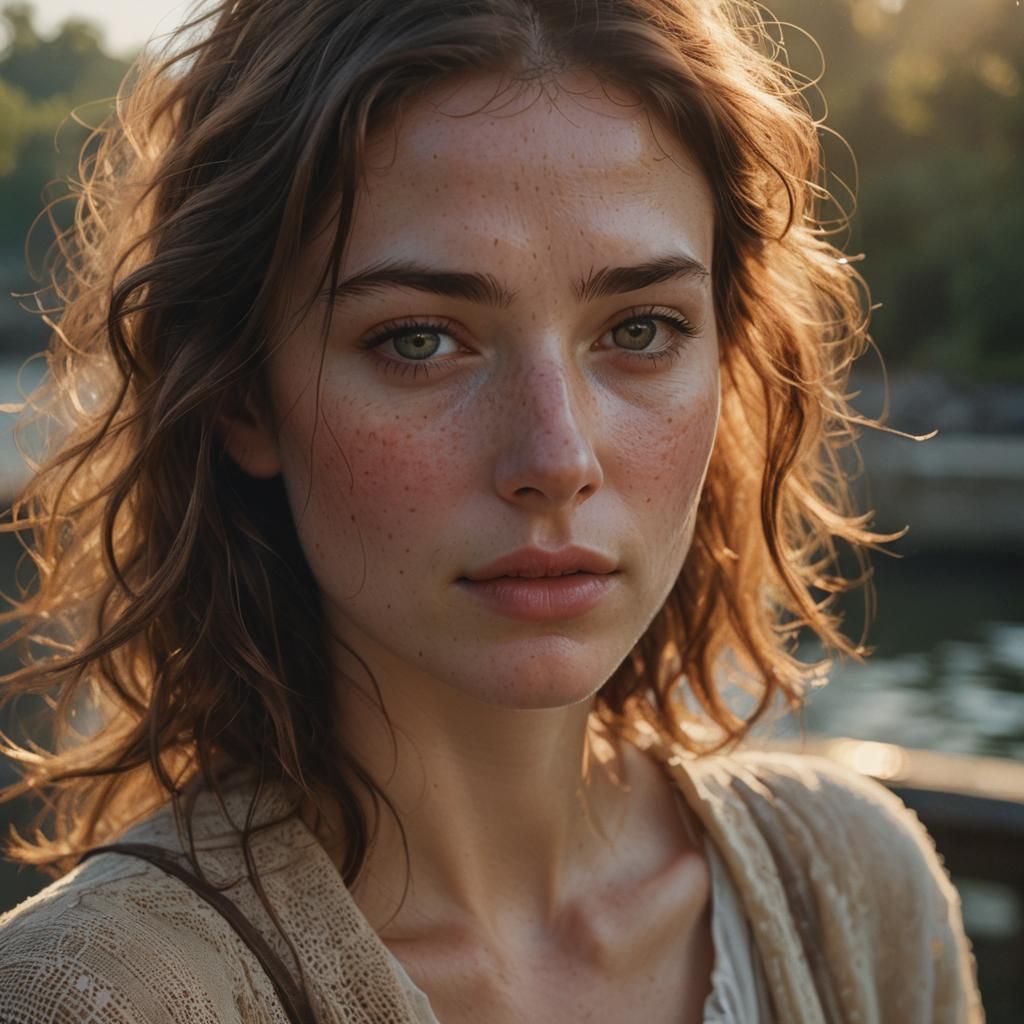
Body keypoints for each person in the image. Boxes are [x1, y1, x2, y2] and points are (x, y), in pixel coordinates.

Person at [0, 0, 984, 1021]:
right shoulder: (90, 1000)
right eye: (420, 340)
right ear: (243, 396)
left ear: (727, 358)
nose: (557, 459)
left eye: (640, 329)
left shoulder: (857, 894)